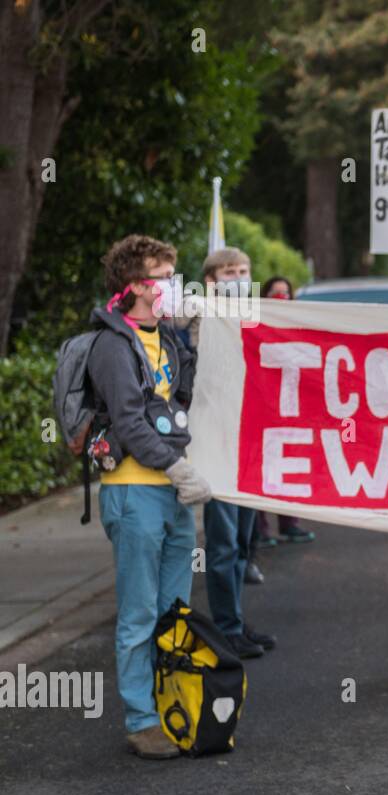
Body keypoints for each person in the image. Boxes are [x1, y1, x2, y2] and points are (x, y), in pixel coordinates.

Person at [88, 234, 212, 759]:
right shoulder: (113, 345)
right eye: (163, 278)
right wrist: (178, 468)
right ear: (133, 286)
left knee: (173, 611)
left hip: (171, 490)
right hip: (135, 490)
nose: (171, 287)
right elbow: (131, 424)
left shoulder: (168, 338)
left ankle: (170, 708)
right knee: (140, 615)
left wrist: (204, 346)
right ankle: (142, 722)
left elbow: (184, 404)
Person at [198, 247, 277, 656]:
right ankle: (226, 629)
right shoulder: (199, 320)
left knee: (244, 541)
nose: (239, 277)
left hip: (250, 444)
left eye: (244, 271)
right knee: (223, 542)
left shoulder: (258, 316)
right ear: (211, 280)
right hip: (218, 446)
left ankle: (238, 624)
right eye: (230, 272)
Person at [251, 276, 316, 549]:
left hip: (289, 408)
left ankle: (289, 523)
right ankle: (261, 529)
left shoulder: (299, 325)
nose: (281, 297)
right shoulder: (254, 325)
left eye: (285, 293)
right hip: (261, 406)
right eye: (275, 293)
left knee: (287, 466)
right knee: (260, 467)